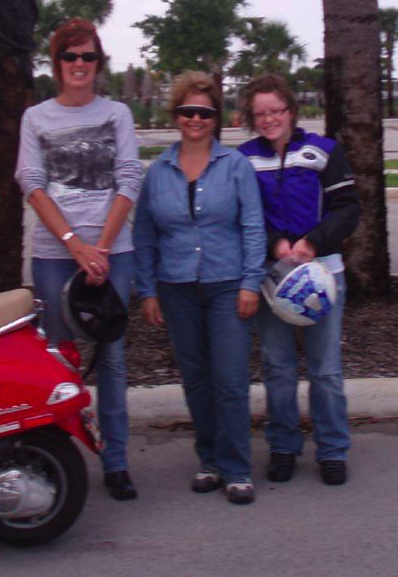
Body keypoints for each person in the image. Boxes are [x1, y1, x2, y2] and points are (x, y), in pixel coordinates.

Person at [15, 19, 143, 502]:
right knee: (57, 359)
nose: (79, 65)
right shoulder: (36, 118)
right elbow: (32, 183)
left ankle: (116, 461)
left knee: (111, 358)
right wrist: (74, 245)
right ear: (57, 64)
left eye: (88, 56)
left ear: (98, 63)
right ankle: (56, 459)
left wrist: (101, 248)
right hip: (55, 256)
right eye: (70, 56)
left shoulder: (117, 114)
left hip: (113, 255)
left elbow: (129, 178)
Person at [133, 71, 266, 505]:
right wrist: (147, 291)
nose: (196, 119)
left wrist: (251, 282)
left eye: (205, 113)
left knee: (230, 379)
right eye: (188, 111)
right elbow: (145, 235)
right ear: (176, 115)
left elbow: (252, 226)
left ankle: (236, 468)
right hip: (176, 287)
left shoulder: (235, 166)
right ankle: (209, 460)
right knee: (196, 379)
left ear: (216, 118)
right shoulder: (158, 172)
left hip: (228, 284)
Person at [237, 74, 361, 487]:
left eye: (276, 110)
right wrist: (275, 243)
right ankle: (283, 446)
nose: (269, 119)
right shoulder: (243, 159)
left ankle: (332, 450)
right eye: (261, 113)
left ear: (290, 110)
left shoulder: (323, 150)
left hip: (321, 273)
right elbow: (243, 214)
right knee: (278, 366)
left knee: (325, 370)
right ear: (251, 117)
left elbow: (347, 208)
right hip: (273, 278)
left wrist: (313, 241)